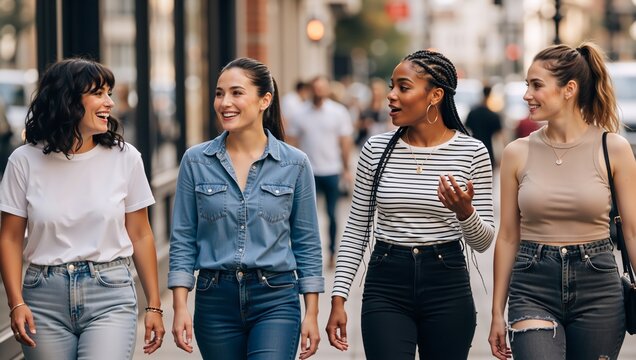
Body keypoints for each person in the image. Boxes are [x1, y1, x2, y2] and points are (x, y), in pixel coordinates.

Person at [326, 49, 495, 359]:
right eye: (392, 86)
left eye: (403, 87)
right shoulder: (375, 149)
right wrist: (339, 296)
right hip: (386, 283)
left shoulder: (472, 152)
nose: (391, 96)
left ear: (435, 96)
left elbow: (483, 242)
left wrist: (465, 212)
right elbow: (356, 229)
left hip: (447, 283)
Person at [0, 58, 164, 359]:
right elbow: (9, 238)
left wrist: (154, 304)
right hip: (43, 299)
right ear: (68, 100)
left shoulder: (126, 158)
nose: (110, 102)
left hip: (110, 293)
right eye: (98, 93)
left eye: (109, 92)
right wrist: (16, 303)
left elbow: (140, 233)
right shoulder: (23, 161)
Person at [488, 42, 636, 360]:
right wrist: (497, 312)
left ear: (569, 89)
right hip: (532, 285)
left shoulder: (615, 149)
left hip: (598, 286)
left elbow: (633, 232)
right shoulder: (517, 152)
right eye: (527, 84)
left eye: (536, 85)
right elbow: (508, 236)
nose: (527, 94)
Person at [168, 57, 323, 360]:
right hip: (215, 301)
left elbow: (307, 243)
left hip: (276, 298)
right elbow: (183, 237)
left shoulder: (295, 163)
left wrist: (312, 313)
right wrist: (180, 306)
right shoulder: (196, 161)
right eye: (219, 93)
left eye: (237, 93)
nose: (225, 102)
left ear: (265, 100)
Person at [287, 75, 354, 269]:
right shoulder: (300, 113)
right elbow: (292, 141)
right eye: (315, 88)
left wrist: (346, 168)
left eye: (322, 88)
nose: (318, 92)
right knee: (305, 216)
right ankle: (307, 255)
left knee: (332, 214)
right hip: (308, 172)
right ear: (310, 90)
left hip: (331, 169)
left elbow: (345, 141)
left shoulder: (338, 112)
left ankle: (332, 252)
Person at [465, 84, 503, 166]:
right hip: (488, 152)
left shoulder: (472, 113)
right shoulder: (493, 115)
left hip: (473, 151)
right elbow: (499, 137)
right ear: (490, 95)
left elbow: (466, 130)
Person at [355, 77, 391, 147]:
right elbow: (357, 125)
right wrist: (364, 124)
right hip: (367, 143)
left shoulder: (388, 108)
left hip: (384, 143)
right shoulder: (365, 108)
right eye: (373, 89)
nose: (375, 92)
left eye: (378, 90)